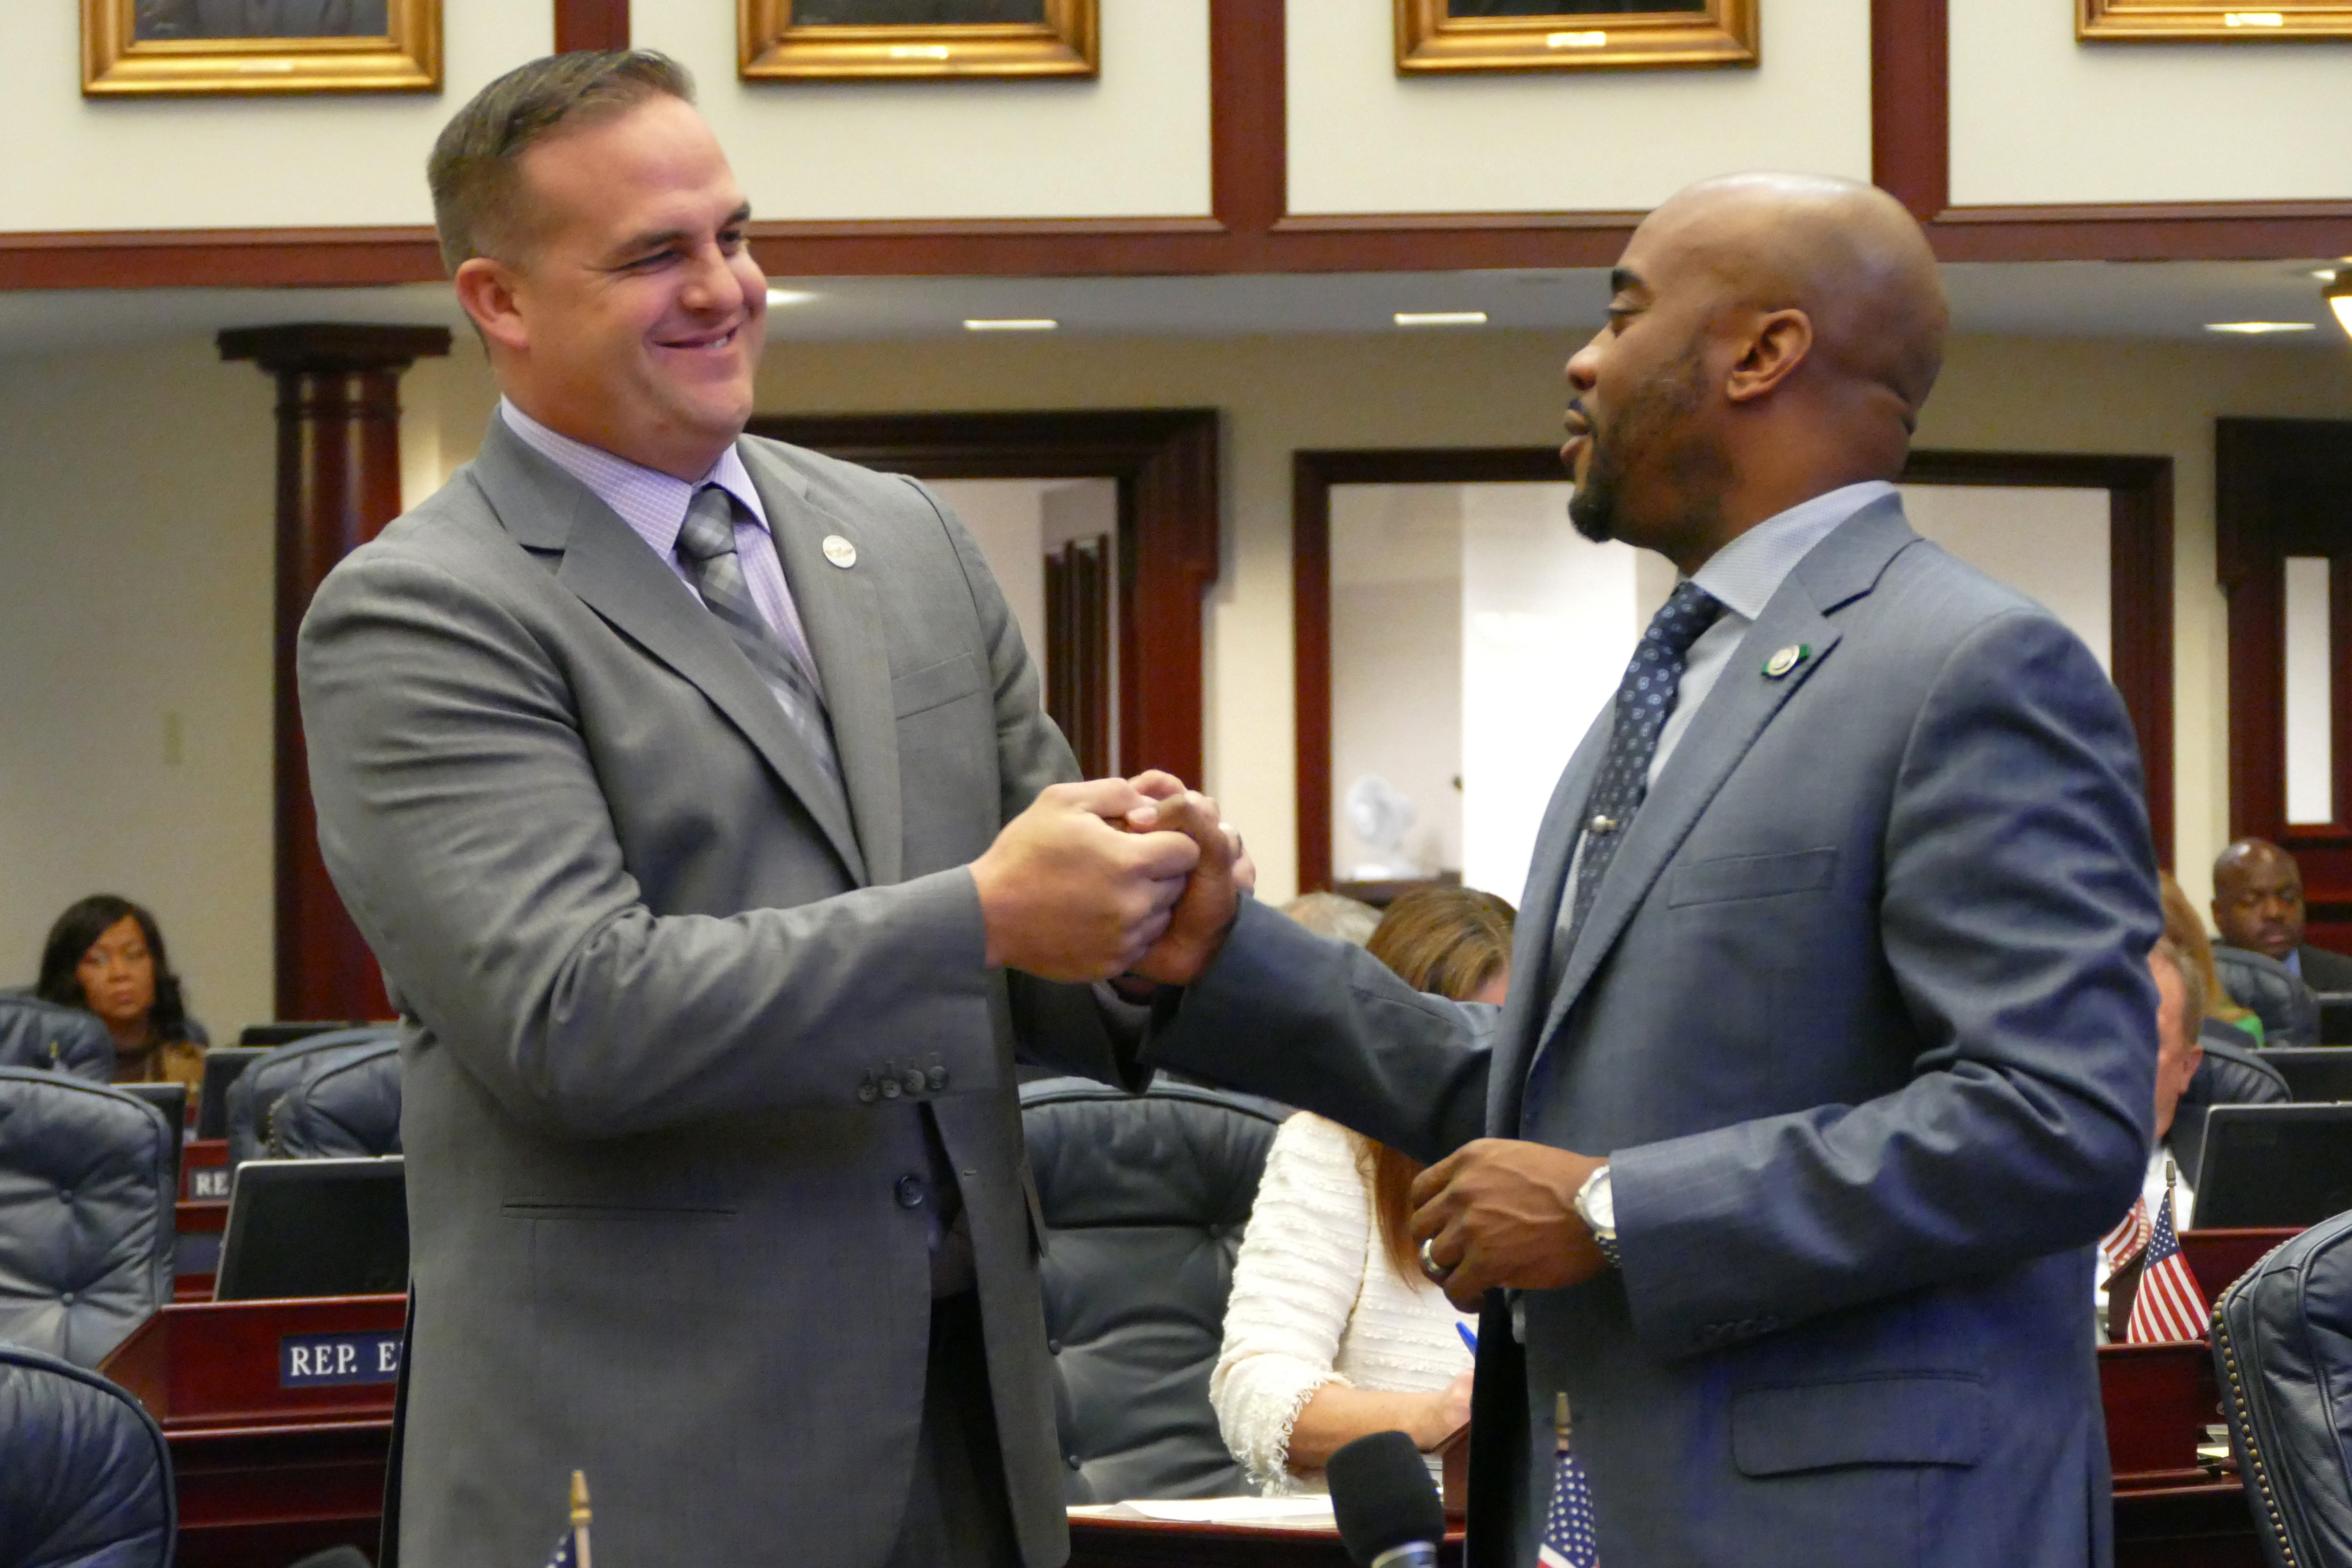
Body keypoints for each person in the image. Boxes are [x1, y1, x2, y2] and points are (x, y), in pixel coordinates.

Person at [1125, 172, 2159, 1567]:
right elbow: (1541, 1098)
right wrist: (1224, 952)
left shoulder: (1971, 667)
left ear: (1759, 352)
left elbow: (2054, 1116)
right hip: (1620, 1499)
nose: (1583, 358)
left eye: (1622, 312)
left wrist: (1617, 1210)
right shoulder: (1667, 686)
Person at [295, 51, 1216, 1568]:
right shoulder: (418, 612)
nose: (723, 288)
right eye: (654, 254)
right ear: (500, 302)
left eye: (733, 234)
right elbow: (571, 1018)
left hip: (967, 1440)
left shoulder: (902, 536)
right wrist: (986, 911)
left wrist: (1151, 912)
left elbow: (1053, 952)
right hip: (652, 1467)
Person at [1213, 887, 1511, 1495]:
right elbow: (1253, 1390)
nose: (1485, 1087)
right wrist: (1433, 1417)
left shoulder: (1563, 1163)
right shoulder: (1335, 1147)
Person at [2096, 940, 2205, 1340]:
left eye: (2145, 1035)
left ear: (2187, 1067)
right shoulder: (2022, 1166)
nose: (2118, 1054)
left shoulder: (2232, 1176)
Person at [35, 894, 205, 1093]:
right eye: (98, 960)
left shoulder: (196, 1068)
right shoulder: (43, 1076)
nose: (120, 973)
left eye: (134, 955)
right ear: (69, 977)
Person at [2211, 837, 2352, 990]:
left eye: (2288, 898)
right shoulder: (2193, 984)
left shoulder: (2345, 980)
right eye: (2251, 901)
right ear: (2219, 914)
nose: (2275, 912)